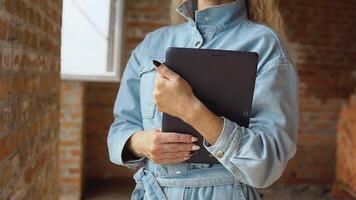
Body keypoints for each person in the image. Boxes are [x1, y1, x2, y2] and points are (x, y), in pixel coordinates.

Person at [107, 0, 299, 199]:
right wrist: (140, 143)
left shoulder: (265, 45)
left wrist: (190, 110)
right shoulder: (151, 44)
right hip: (152, 192)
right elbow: (120, 129)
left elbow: (267, 166)